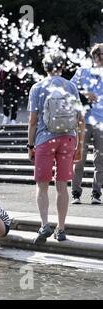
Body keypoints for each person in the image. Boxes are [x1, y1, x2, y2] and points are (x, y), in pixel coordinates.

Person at [27, 51, 85, 243]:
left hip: (45, 140)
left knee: (42, 186)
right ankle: (61, 229)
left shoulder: (37, 88)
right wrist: (80, 145)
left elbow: (33, 121)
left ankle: (44, 225)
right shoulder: (71, 87)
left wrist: (30, 145)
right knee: (62, 186)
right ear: (61, 67)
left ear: (45, 67)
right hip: (68, 139)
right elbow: (79, 118)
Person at [70, 43, 103, 205]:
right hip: (83, 121)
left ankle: (96, 193)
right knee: (79, 159)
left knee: (100, 159)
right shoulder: (83, 71)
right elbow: (69, 89)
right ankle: (76, 192)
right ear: (96, 56)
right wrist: (84, 93)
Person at [0, 55, 23, 125]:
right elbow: (1, 78)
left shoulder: (18, 67)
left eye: (14, 57)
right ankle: (6, 117)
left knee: (14, 103)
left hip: (14, 87)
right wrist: (1, 88)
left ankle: (13, 119)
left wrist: (20, 87)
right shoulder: (5, 66)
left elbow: (20, 78)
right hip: (6, 87)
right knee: (6, 102)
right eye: (12, 57)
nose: (13, 59)